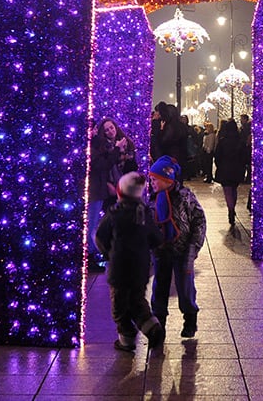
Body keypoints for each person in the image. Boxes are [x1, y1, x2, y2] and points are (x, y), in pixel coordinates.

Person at [94, 171, 166, 352]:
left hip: (119, 268)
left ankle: (126, 339)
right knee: (137, 300)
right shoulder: (145, 214)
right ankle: (152, 327)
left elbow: (100, 237)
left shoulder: (114, 214)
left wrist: (107, 253)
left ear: (119, 192)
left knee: (119, 305)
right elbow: (156, 238)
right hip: (140, 267)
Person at [149, 155, 206, 338]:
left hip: (183, 250)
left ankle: (190, 317)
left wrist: (193, 247)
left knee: (185, 286)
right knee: (160, 287)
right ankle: (159, 323)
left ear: (167, 179)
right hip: (161, 250)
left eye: (155, 179)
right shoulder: (153, 198)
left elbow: (199, 220)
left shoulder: (185, 196)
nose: (152, 183)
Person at [87, 117, 136, 271]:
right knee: (95, 225)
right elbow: (104, 165)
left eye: (111, 127)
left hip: (123, 188)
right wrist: (116, 150)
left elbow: (132, 166)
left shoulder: (125, 142)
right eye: (105, 129)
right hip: (105, 189)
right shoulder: (99, 145)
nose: (110, 131)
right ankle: (96, 255)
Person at [214, 119, 244, 232]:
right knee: (234, 189)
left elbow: (217, 156)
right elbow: (244, 156)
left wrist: (219, 166)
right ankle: (232, 207)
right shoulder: (240, 141)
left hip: (225, 168)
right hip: (237, 169)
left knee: (227, 191)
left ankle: (230, 209)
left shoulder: (223, 141)